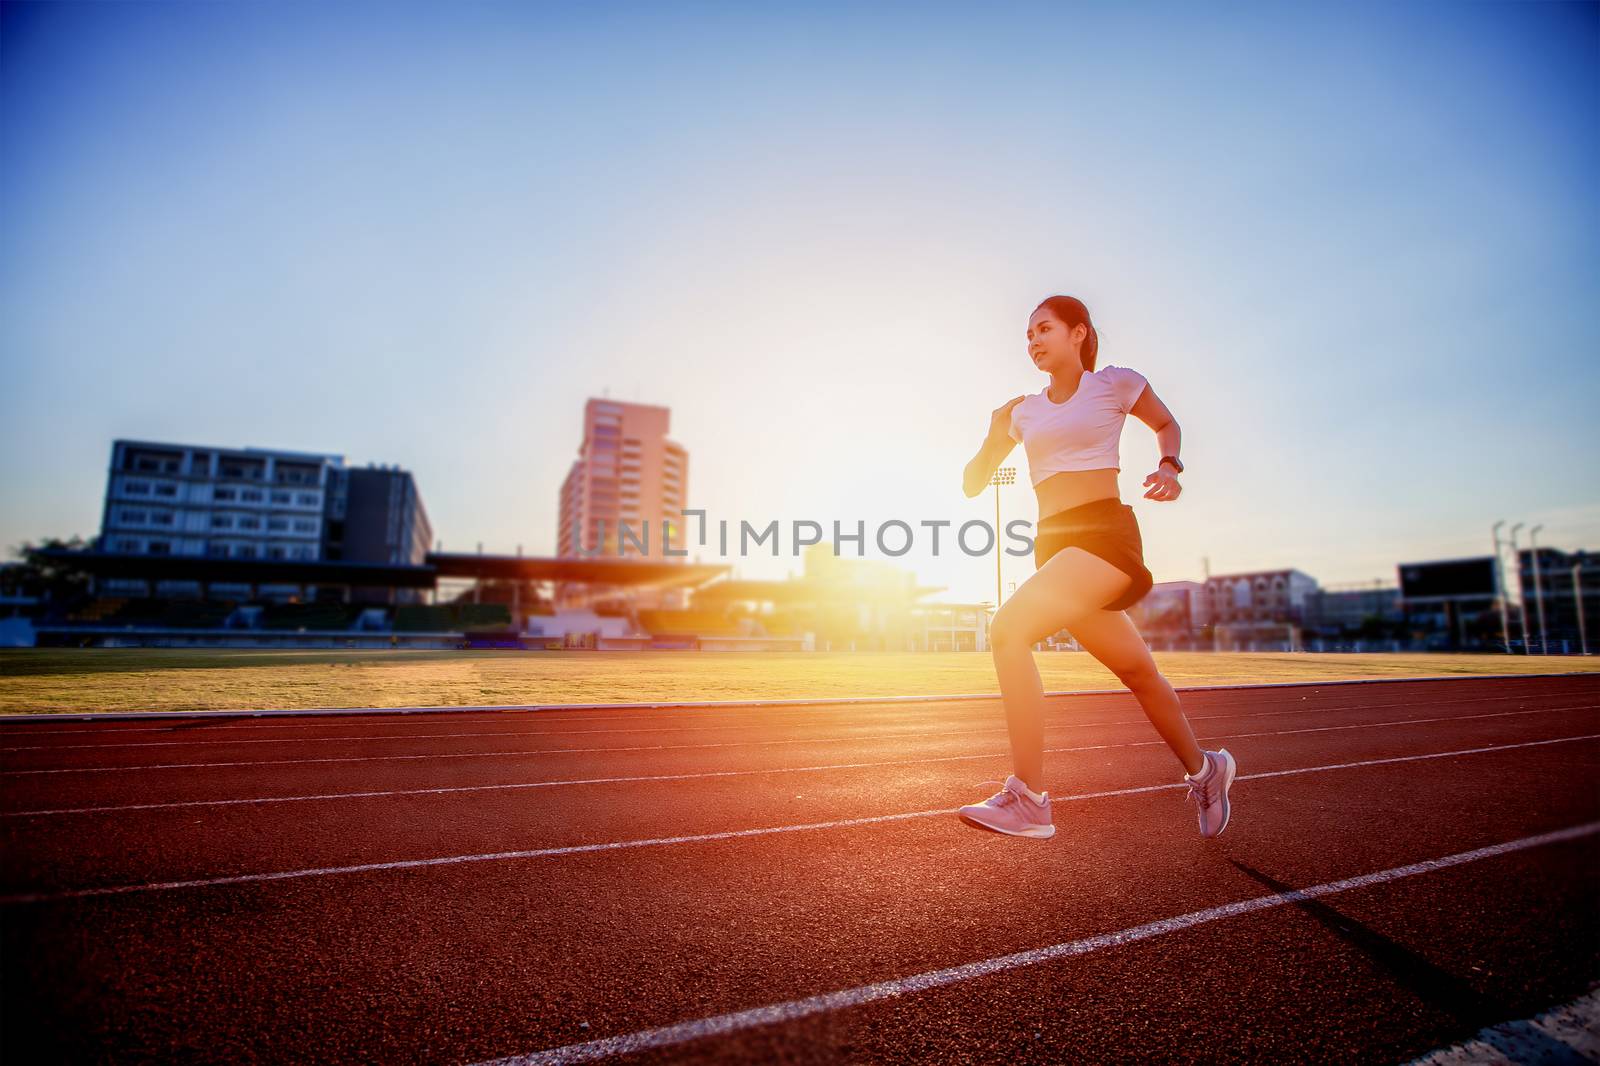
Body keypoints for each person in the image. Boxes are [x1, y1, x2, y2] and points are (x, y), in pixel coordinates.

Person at [956, 295, 1235, 840]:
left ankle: (1028, 798)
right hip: (1055, 549)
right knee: (1138, 673)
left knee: (1007, 630)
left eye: (1044, 328)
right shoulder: (1022, 413)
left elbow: (1166, 423)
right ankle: (1206, 770)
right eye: (1028, 334)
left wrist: (1170, 467)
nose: (1033, 340)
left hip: (1104, 538)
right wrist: (993, 434)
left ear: (1079, 332)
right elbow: (972, 483)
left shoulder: (1115, 383)